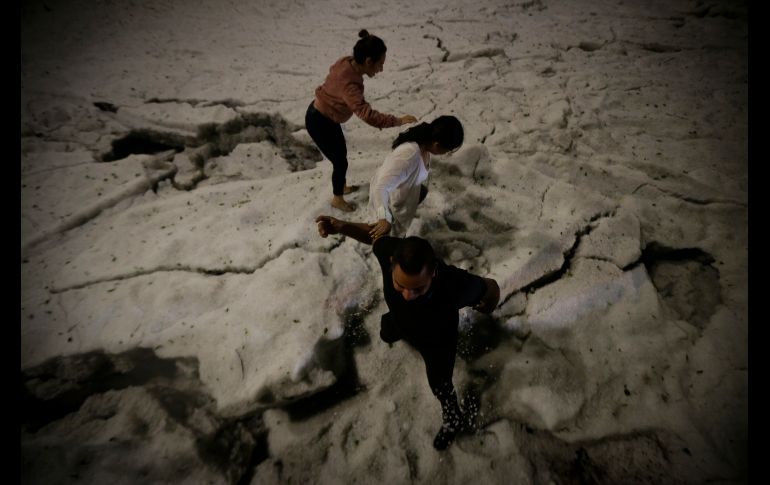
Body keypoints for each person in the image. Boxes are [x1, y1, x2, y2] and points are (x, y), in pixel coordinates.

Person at [314, 216, 501, 450]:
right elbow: (373, 236)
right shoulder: (390, 252)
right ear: (392, 263)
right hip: (400, 321)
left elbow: (491, 287)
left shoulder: (454, 284)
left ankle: (453, 417)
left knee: (440, 384)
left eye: (418, 289)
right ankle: (396, 330)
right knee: (388, 330)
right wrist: (342, 227)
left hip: (437, 340)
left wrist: (488, 305)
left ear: (433, 272)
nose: (407, 295)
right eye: (400, 285)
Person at [306, 29, 417, 212]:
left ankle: (340, 186)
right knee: (340, 161)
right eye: (380, 64)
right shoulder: (350, 86)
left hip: (326, 117)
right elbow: (367, 115)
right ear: (368, 61)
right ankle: (337, 198)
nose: (381, 69)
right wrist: (397, 121)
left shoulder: (347, 61)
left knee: (341, 155)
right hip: (319, 121)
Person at [368, 115, 464, 239]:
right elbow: (381, 187)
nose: (446, 154)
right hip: (388, 205)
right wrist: (383, 217)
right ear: (436, 145)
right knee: (385, 238)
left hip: (404, 198)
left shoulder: (424, 137)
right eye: (447, 150)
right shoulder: (409, 155)